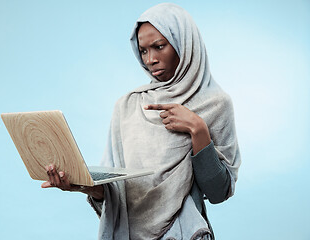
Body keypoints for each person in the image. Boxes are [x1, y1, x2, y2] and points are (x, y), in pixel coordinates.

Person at [41, 3, 241, 240]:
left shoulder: (216, 104)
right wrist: (83, 186)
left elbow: (218, 192)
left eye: (159, 47)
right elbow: (117, 192)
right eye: (143, 51)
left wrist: (198, 130)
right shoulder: (127, 106)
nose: (151, 60)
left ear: (184, 45)